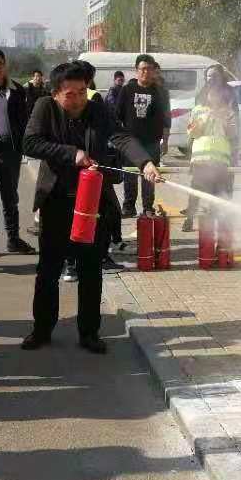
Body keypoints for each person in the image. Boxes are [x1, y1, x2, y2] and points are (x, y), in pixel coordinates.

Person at [21, 61, 161, 354]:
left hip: (94, 202)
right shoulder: (44, 108)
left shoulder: (97, 109)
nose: (78, 100)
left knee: (90, 269)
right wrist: (70, 153)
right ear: (56, 93)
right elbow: (30, 143)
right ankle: (42, 329)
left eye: (82, 92)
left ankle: (89, 332)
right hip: (57, 201)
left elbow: (121, 136)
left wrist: (145, 162)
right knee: (49, 269)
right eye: (70, 94)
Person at [0, 47, 36, 259]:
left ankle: (13, 239)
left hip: (10, 152)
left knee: (11, 198)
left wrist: (22, 146)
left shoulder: (17, 90)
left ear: (5, 65)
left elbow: (23, 121)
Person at [118, 53, 172, 218]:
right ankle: (129, 207)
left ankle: (148, 207)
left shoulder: (161, 92)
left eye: (149, 69)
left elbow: (166, 119)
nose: (146, 72)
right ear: (136, 70)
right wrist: (120, 140)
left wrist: (165, 141)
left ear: (154, 71)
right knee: (130, 175)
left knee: (149, 176)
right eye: (142, 69)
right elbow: (117, 116)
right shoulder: (127, 90)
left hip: (152, 142)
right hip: (130, 143)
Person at [182, 74, 236, 233]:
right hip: (201, 158)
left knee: (218, 192)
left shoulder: (228, 112)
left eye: (218, 93)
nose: (214, 96)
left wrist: (222, 119)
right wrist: (205, 118)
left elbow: (232, 134)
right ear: (206, 94)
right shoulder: (198, 110)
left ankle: (214, 222)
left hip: (220, 159)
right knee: (195, 190)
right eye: (211, 92)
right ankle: (189, 218)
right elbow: (192, 132)